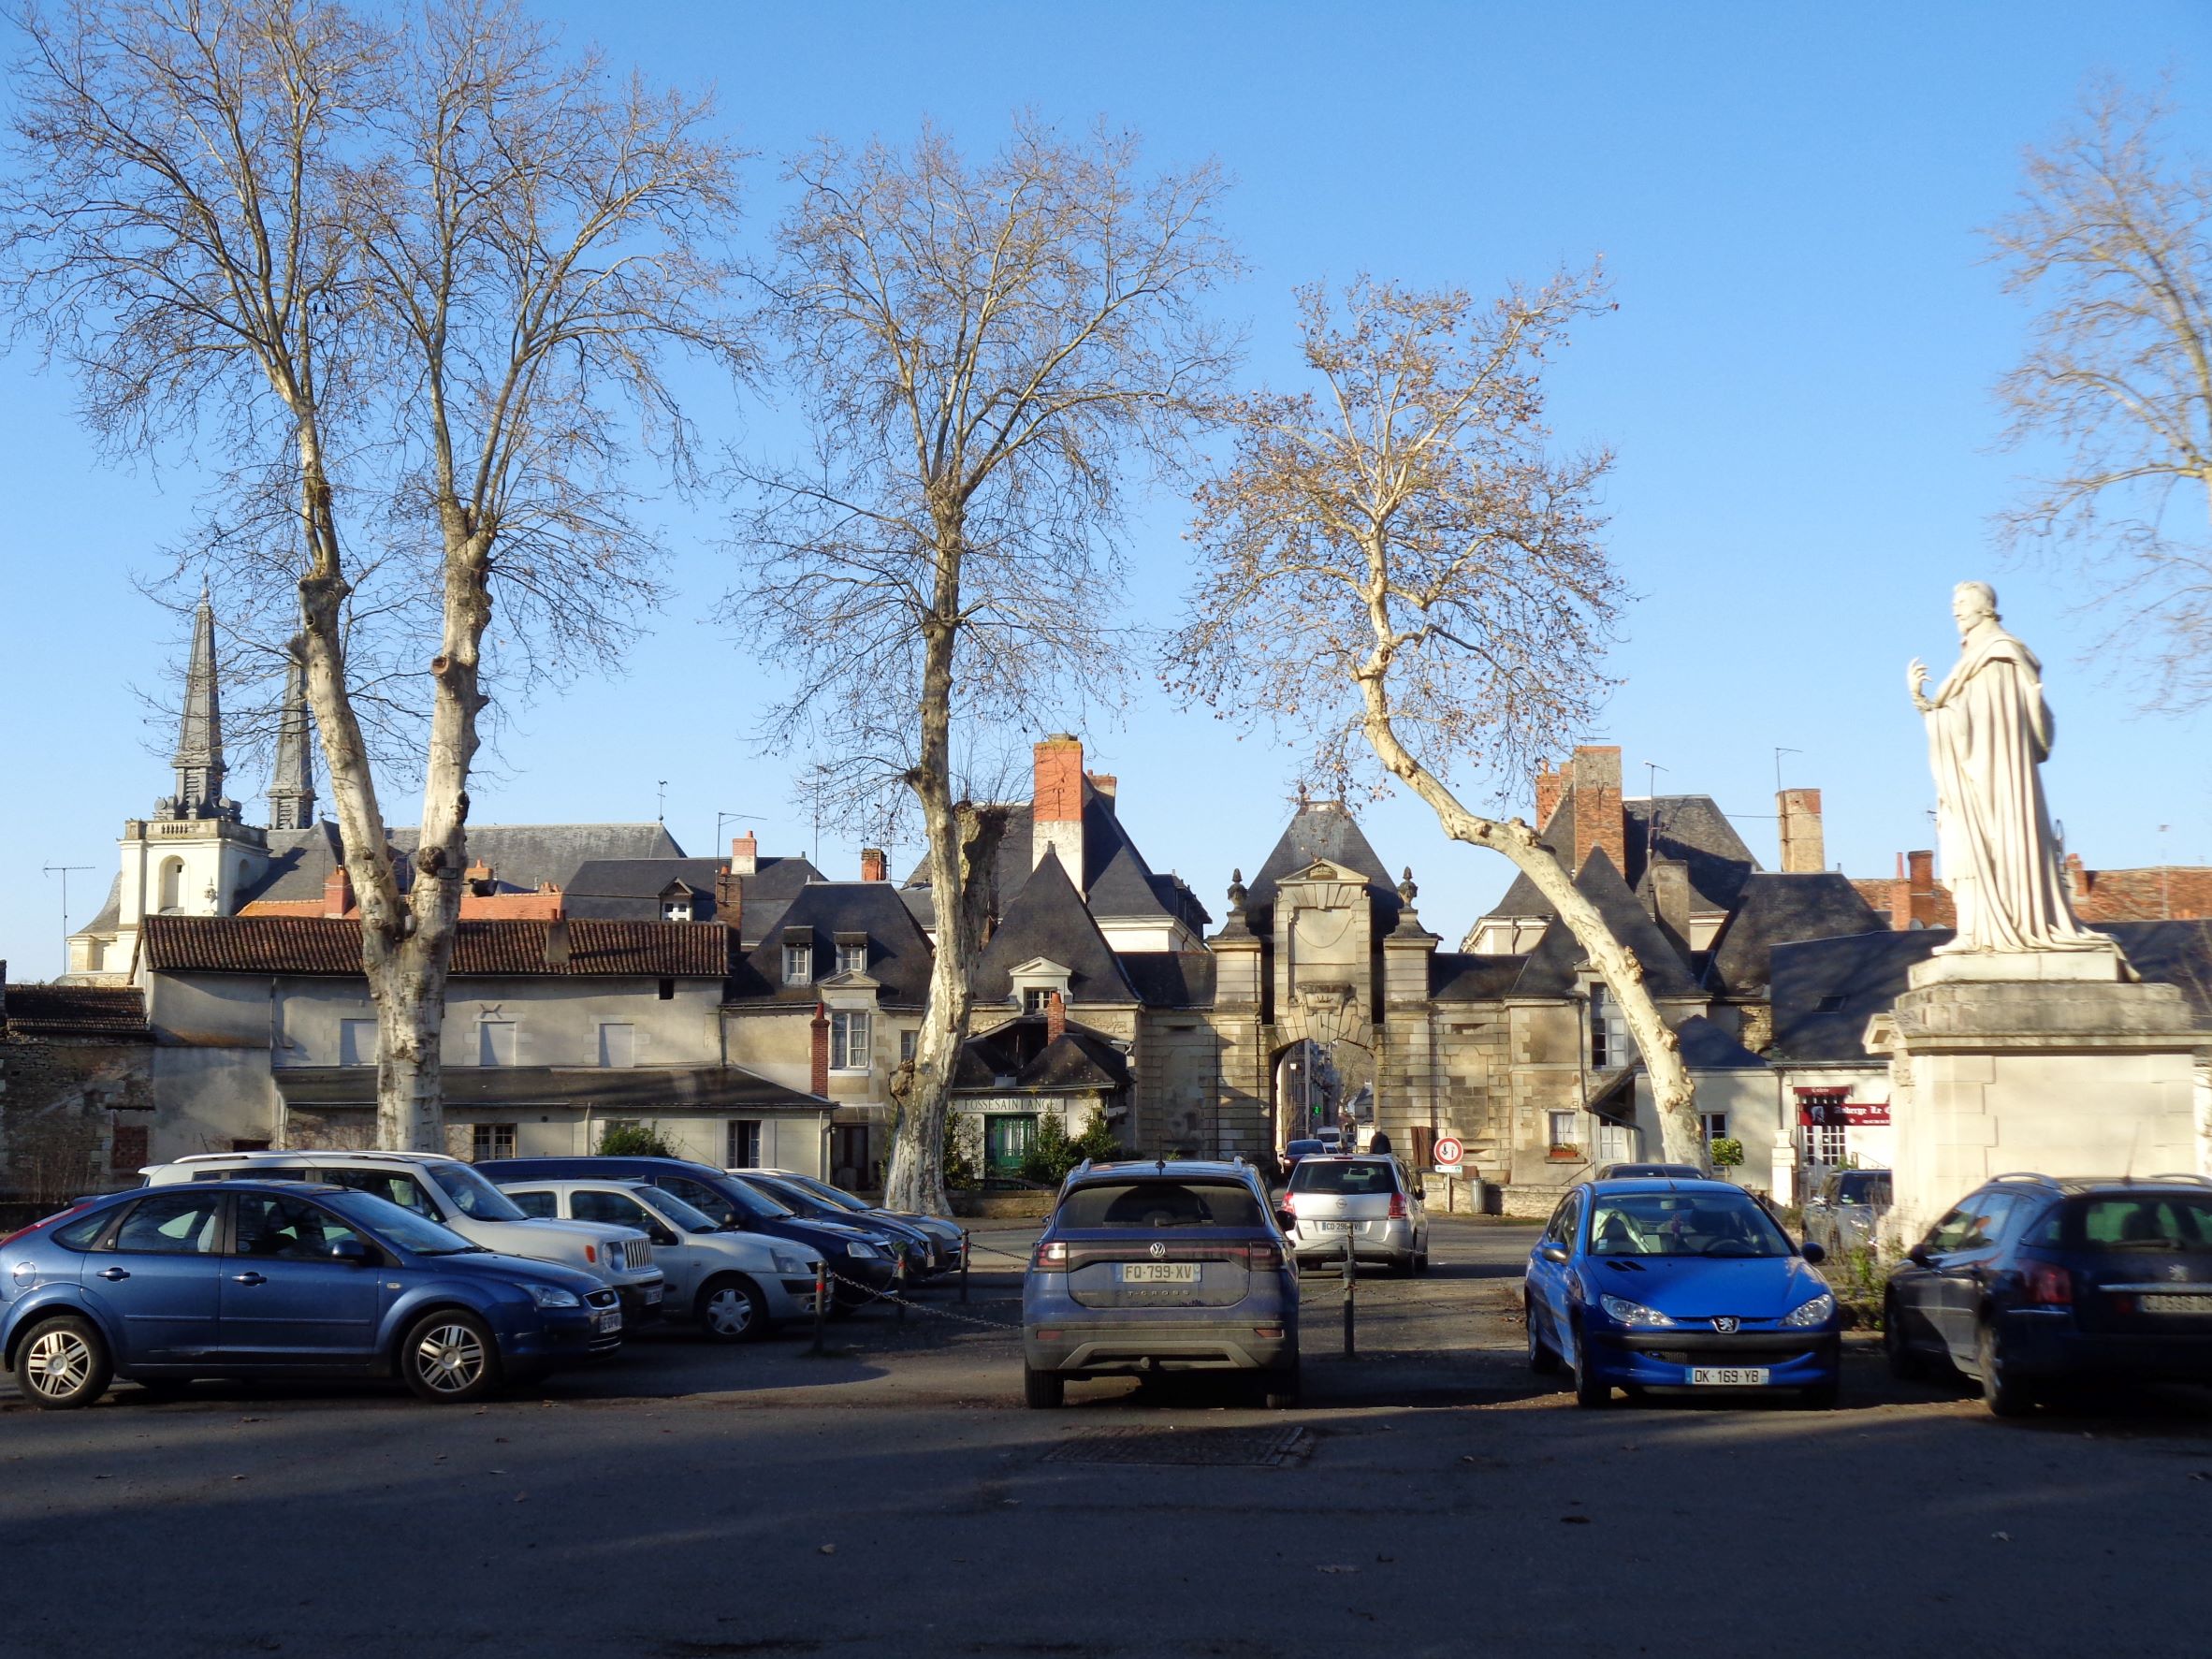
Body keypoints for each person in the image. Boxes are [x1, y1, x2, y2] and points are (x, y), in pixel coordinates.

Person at [1905, 582, 2103, 955]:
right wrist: (1925, 705)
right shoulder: (1977, 659)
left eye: (1962, 603)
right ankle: (1977, 929)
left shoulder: (1997, 656)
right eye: (1954, 604)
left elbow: (1984, 723)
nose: (1955, 611)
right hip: (1977, 771)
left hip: (1993, 778)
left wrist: (1931, 710)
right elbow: (1966, 719)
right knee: (1964, 840)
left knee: (1980, 840)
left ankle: (1993, 928)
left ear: (1985, 608)